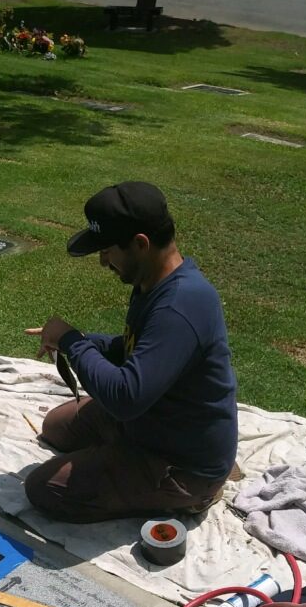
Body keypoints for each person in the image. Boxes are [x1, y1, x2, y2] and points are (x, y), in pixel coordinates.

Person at [23, 180, 238, 523]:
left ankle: (190, 495)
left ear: (141, 244)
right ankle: (116, 458)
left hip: (181, 462)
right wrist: (87, 340)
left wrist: (72, 341)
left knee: (44, 487)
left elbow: (125, 398)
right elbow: (136, 349)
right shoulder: (151, 282)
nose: (102, 261)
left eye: (107, 250)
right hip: (149, 421)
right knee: (55, 427)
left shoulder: (181, 304)